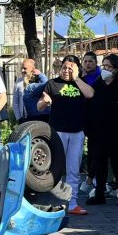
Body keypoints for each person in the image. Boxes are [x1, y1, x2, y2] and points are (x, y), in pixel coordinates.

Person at [37, 55, 95, 215]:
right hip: (58, 131)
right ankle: (51, 202)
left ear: (77, 69)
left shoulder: (81, 83)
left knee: (74, 170)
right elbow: (39, 106)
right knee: (54, 168)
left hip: (77, 132)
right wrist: (45, 102)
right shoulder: (52, 84)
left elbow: (90, 94)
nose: (66, 70)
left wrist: (76, 78)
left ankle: (72, 203)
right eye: (64, 67)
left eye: (70, 68)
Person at [85, 54, 118, 206]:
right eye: (104, 66)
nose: (105, 69)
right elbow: (89, 105)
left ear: (116, 69)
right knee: (99, 162)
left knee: (117, 163)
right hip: (99, 130)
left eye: (108, 66)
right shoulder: (98, 84)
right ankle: (99, 193)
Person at [79, 51, 104, 194]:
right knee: (91, 149)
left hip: (99, 118)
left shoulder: (100, 77)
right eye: (85, 61)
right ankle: (91, 175)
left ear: (96, 63)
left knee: (97, 149)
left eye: (90, 61)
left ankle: (91, 178)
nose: (87, 64)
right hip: (86, 118)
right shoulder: (82, 77)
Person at [12, 58, 50, 124]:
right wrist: (19, 118)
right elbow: (15, 102)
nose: (22, 70)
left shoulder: (39, 79)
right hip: (24, 117)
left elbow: (48, 85)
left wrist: (41, 75)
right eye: (22, 68)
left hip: (41, 116)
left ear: (32, 69)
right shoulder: (18, 82)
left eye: (25, 68)